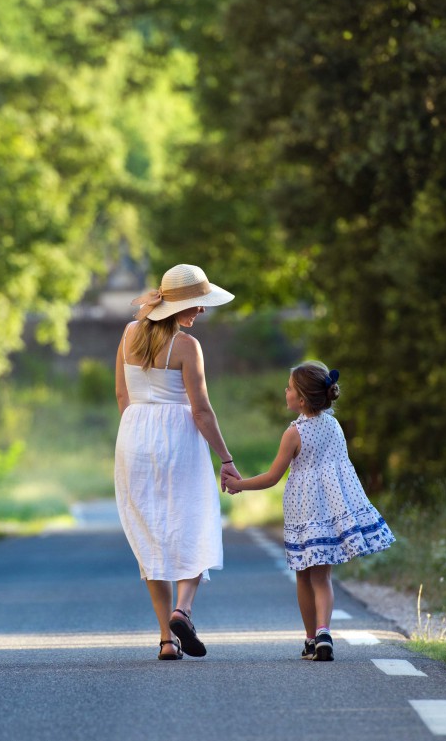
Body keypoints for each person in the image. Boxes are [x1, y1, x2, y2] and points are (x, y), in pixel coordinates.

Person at [223, 360, 394, 661]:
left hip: (303, 512)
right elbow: (341, 470)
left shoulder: (294, 433)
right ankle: (325, 630)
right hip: (330, 509)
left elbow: (273, 477)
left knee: (303, 577)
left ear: (301, 399)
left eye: (288, 388)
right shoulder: (334, 425)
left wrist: (239, 484)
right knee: (322, 578)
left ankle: (311, 640)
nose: (284, 391)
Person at [114, 263, 241, 661]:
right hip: (179, 436)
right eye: (196, 304)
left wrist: (138, 434)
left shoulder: (129, 333)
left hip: (134, 434)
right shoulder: (186, 346)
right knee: (195, 520)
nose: (200, 311)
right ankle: (182, 610)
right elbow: (201, 411)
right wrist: (226, 459)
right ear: (177, 306)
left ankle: (166, 641)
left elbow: (122, 395)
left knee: (151, 532)